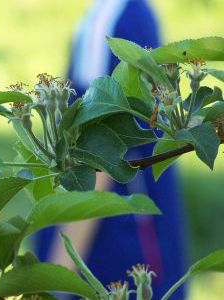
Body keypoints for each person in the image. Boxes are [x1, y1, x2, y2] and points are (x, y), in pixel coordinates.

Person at [34, 1, 187, 299]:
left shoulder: (109, 22)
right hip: (146, 241)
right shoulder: (130, 11)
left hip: (112, 254)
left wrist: (57, 276)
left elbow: (98, 156)